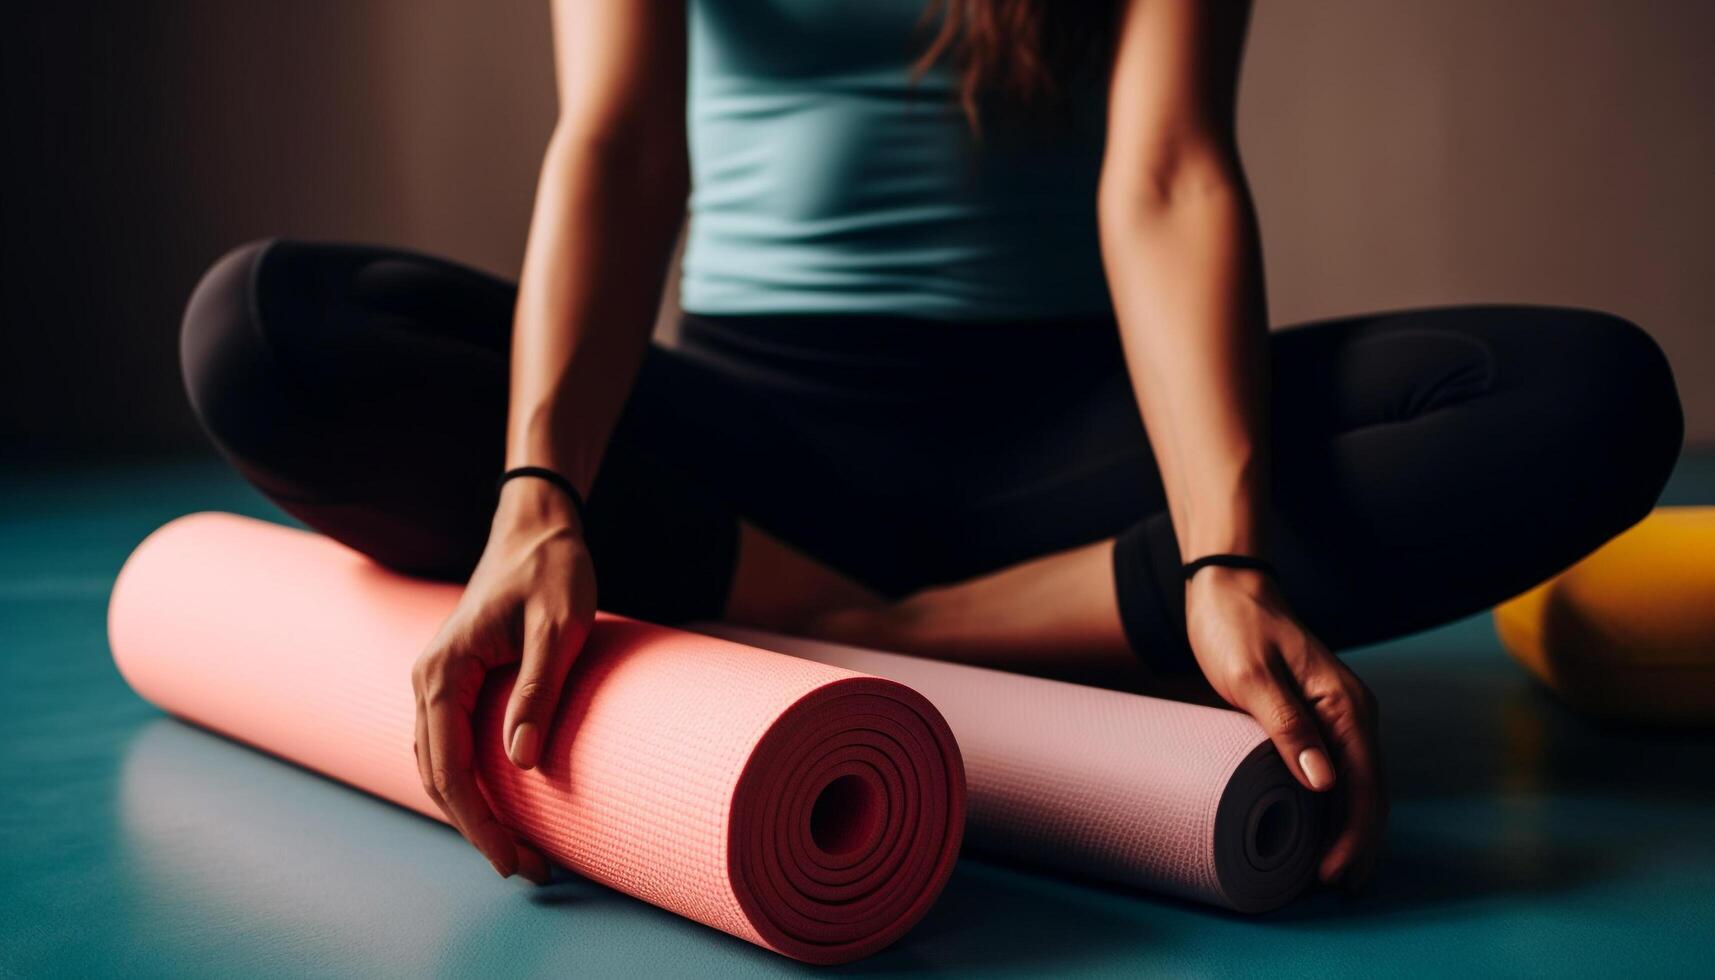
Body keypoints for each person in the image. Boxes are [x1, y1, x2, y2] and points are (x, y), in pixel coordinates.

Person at [180, 0, 1682, 894]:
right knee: (265, 329)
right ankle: (836, 600)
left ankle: (881, 626)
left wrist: (1222, 551)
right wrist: (544, 491)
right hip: (754, 449)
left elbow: (1166, 171)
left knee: (1587, 394)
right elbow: (621, 144)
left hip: (1069, 461)